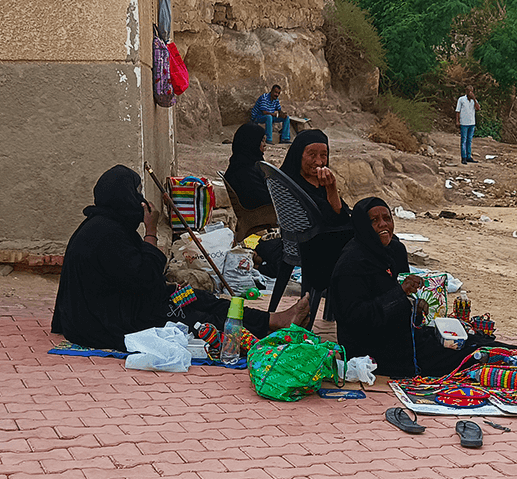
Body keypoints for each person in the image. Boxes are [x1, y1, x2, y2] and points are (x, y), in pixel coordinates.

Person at [51, 165, 309, 351]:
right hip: (107, 321)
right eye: (136, 192)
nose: (140, 200)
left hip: (115, 306)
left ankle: (272, 320)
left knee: (198, 298)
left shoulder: (105, 225)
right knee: (195, 316)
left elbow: (137, 278)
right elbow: (146, 277)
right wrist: (151, 231)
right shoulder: (106, 234)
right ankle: (269, 327)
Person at [332, 197, 517, 378]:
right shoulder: (352, 263)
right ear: (363, 227)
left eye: (387, 218)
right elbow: (354, 318)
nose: (383, 225)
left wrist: (413, 305)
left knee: (471, 340)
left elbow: (396, 294)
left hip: (400, 335)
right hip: (373, 351)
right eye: (374, 221)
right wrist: (399, 296)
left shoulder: (391, 250)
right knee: (467, 355)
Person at [277, 129, 353, 327]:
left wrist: (331, 188)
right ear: (298, 155)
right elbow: (333, 221)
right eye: (311, 155)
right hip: (313, 245)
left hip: (327, 236)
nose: (319, 161)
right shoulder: (291, 184)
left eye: (323, 155)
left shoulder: (322, 182)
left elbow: (340, 215)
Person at [224, 123, 271, 209]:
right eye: (262, 141)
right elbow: (265, 200)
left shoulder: (241, 164)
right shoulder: (245, 172)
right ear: (252, 143)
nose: (265, 145)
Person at [455, 86, 481, 164]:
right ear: (466, 92)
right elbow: (457, 111)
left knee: (469, 140)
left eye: (471, 91)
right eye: (469, 91)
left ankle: (469, 156)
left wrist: (474, 99)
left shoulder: (474, 101)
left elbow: (478, 108)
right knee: (464, 140)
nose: (470, 93)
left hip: (472, 123)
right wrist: (457, 121)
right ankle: (463, 157)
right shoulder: (461, 99)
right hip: (464, 123)